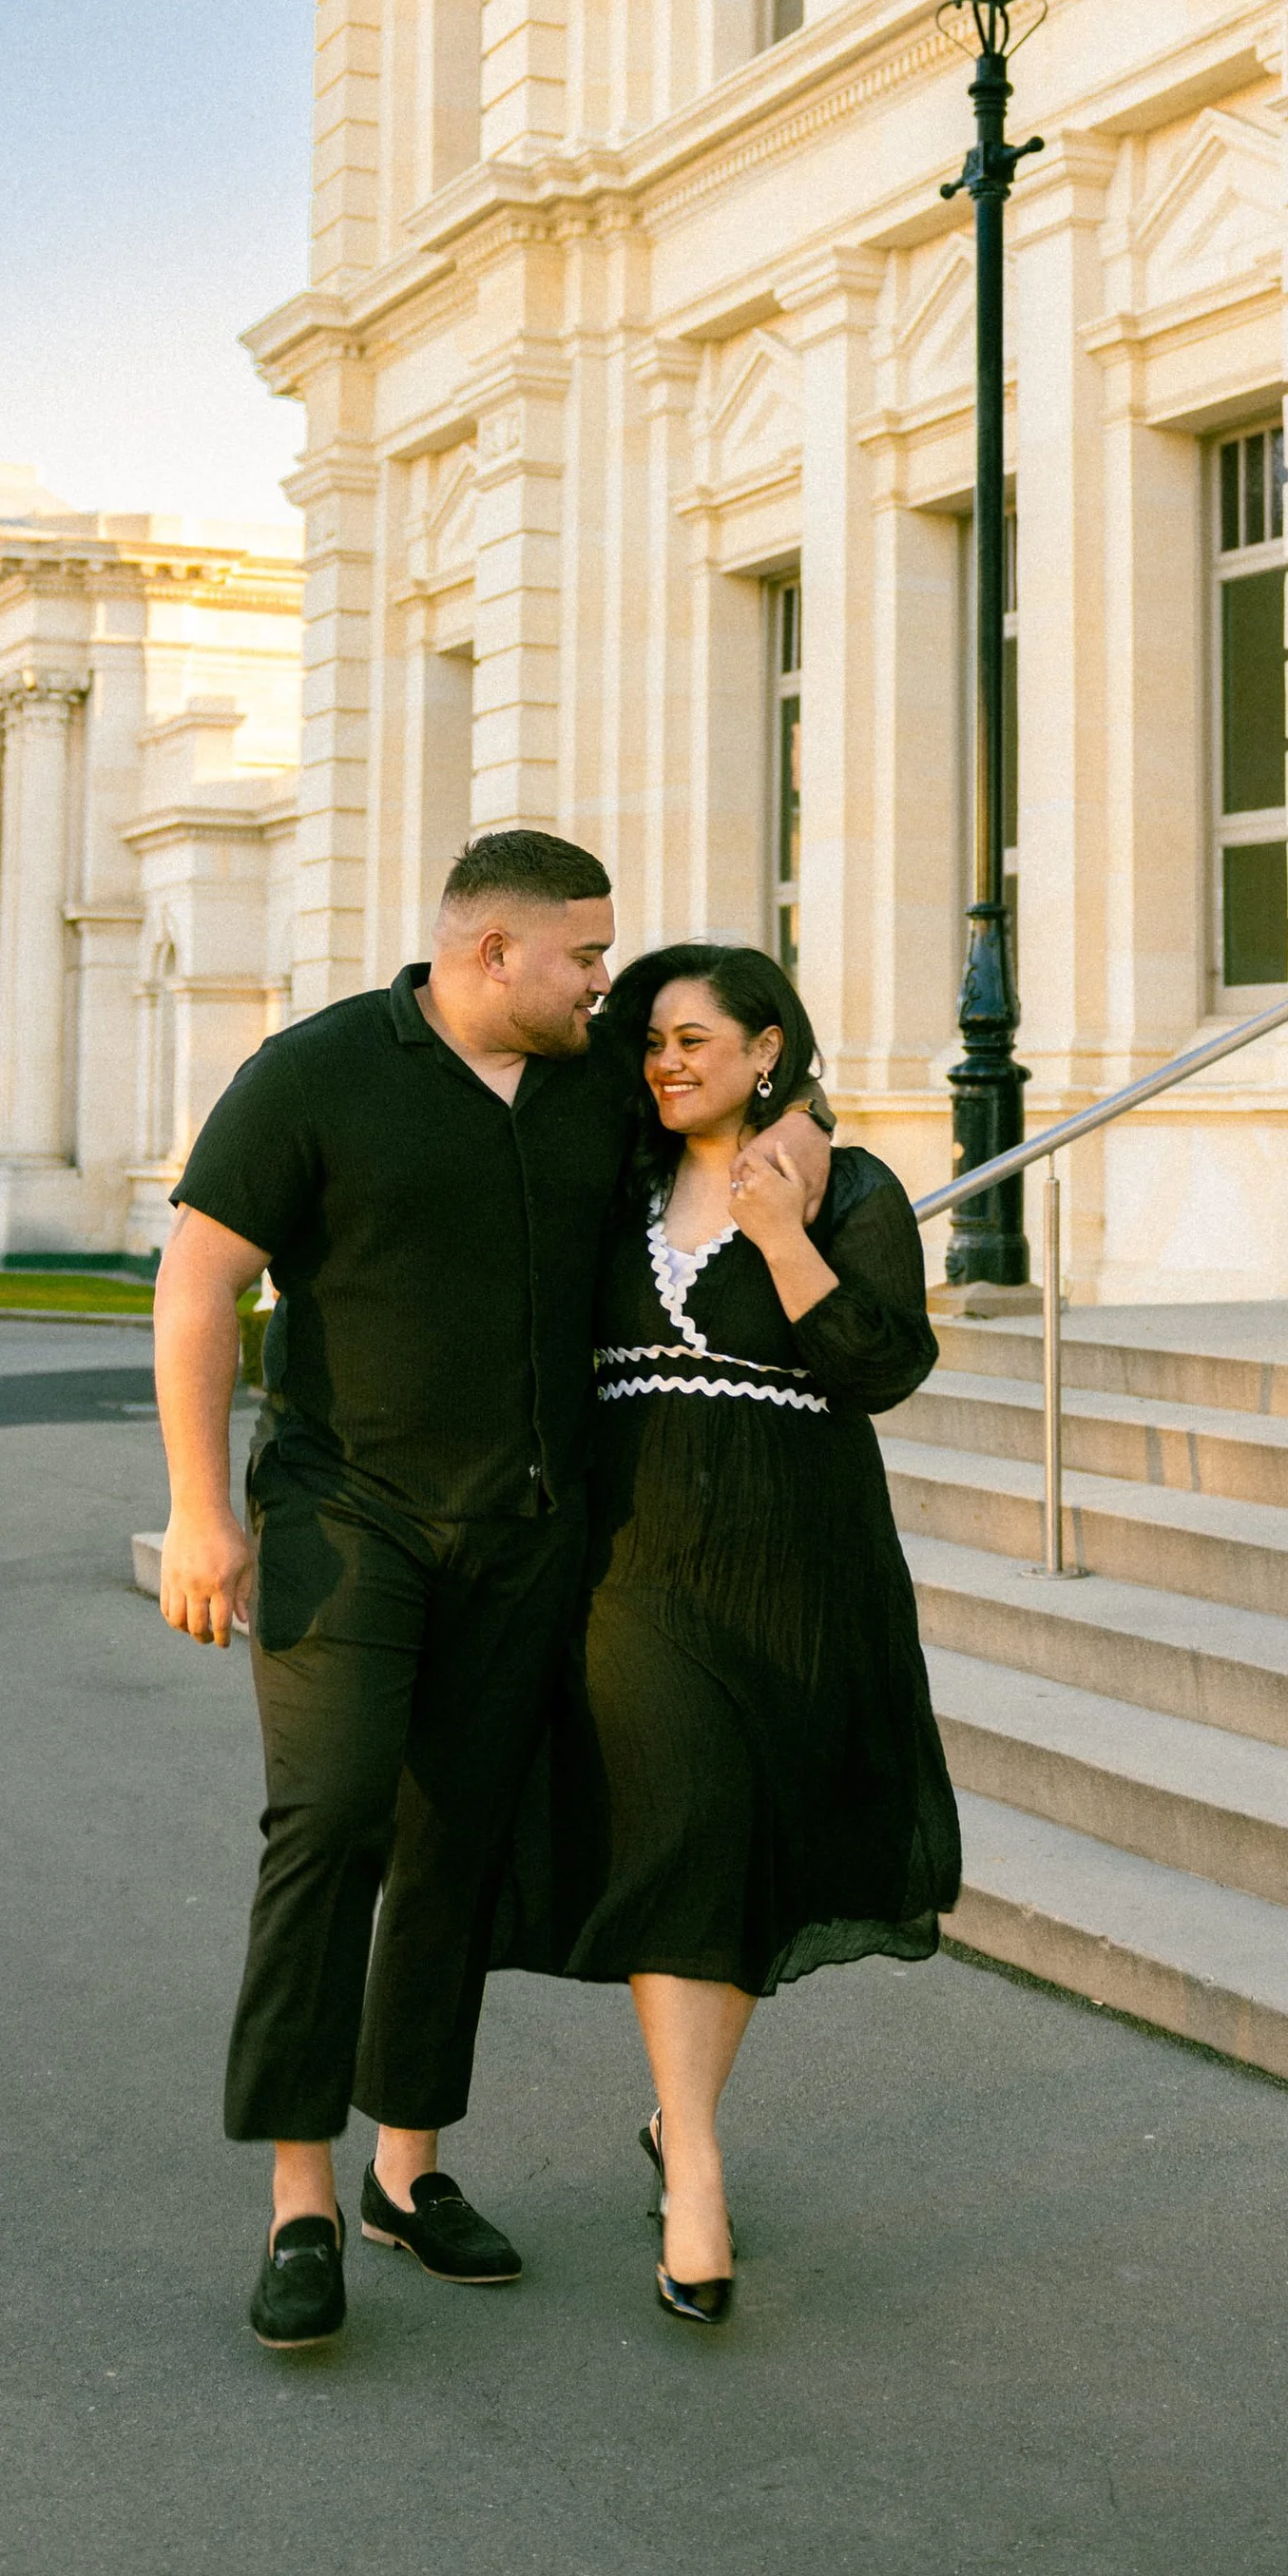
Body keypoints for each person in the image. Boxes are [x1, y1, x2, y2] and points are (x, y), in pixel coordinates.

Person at [149, 833, 832, 2350]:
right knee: (327, 1825)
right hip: (348, 1515)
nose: (608, 980)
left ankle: (409, 2169)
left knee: (454, 1842)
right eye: (584, 956)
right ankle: (302, 2200)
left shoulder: (593, 1083)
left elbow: (740, 1103)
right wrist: (201, 1511)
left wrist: (813, 1150)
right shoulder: (317, 1072)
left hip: (528, 1531)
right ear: (487, 955)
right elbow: (199, 1280)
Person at [521, 941, 959, 2328]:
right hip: (638, 1562)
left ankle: (675, 2117)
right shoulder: (616, 1181)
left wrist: (781, 1233)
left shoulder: (855, 1189)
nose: (663, 1062)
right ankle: (697, 2169)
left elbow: (886, 1366)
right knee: (687, 1820)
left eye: (695, 1040)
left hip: (801, 1565)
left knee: (748, 1852)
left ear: (769, 1048)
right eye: (650, 1040)